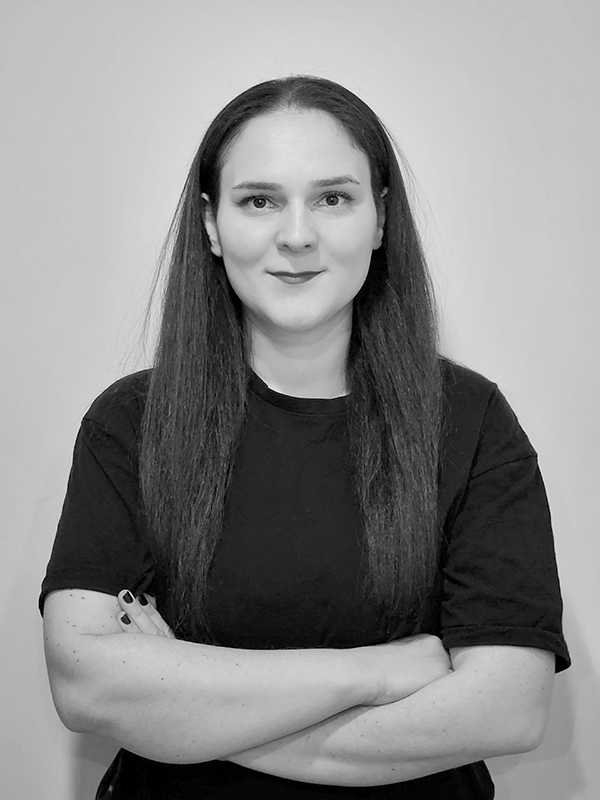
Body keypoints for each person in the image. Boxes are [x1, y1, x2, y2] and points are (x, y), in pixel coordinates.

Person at [40, 75, 569, 800]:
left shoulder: (471, 421)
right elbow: (86, 688)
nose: (296, 236)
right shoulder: (130, 423)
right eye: (259, 200)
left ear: (380, 220)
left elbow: (509, 707)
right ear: (211, 224)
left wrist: (188, 714)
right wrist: (373, 673)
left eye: (333, 199)